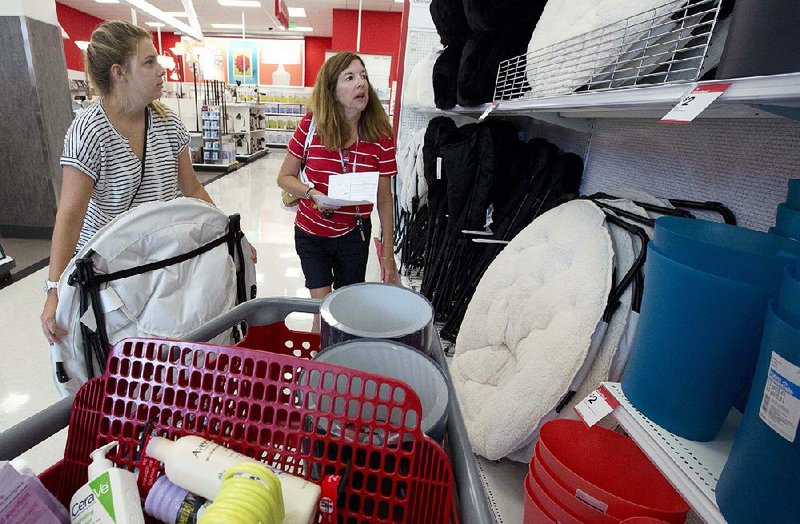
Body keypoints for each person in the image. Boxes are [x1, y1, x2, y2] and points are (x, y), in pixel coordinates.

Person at [41, 20, 215, 344]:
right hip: (107, 272)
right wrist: (54, 291)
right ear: (119, 73)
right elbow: (70, 215)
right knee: (117, 358)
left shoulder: (166, 122)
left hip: (158, 264)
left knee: (163, 353)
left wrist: (227, 232)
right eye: (149, 62)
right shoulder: (89, 132)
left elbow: (191, 188)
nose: (161, 69)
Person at [277, 52, 400, 305]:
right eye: (350, 77)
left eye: (363, 76)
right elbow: (284, 177)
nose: (361, 83)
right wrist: (311, 193)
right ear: (332, 91)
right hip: (311, 233)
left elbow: (385, 198)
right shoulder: (312, 125)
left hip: (354, 235)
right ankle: (320, 344)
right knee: (320, 311)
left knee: (347, 309)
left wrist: (388, 254)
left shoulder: (381, 135)